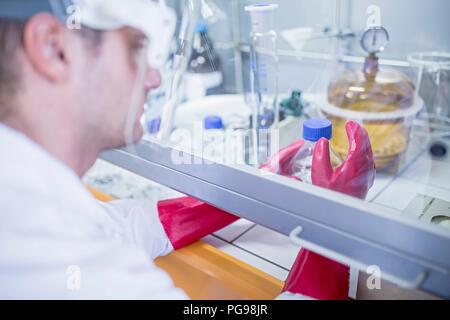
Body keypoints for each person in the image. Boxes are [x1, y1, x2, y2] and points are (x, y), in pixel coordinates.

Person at [0, 0, 375, 299]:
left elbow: (117, 228)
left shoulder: (22, 193)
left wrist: (249, 189)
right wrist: (333, 233)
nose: (155, 77)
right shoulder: (46, 253)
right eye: (137, 46)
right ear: (54, 49)